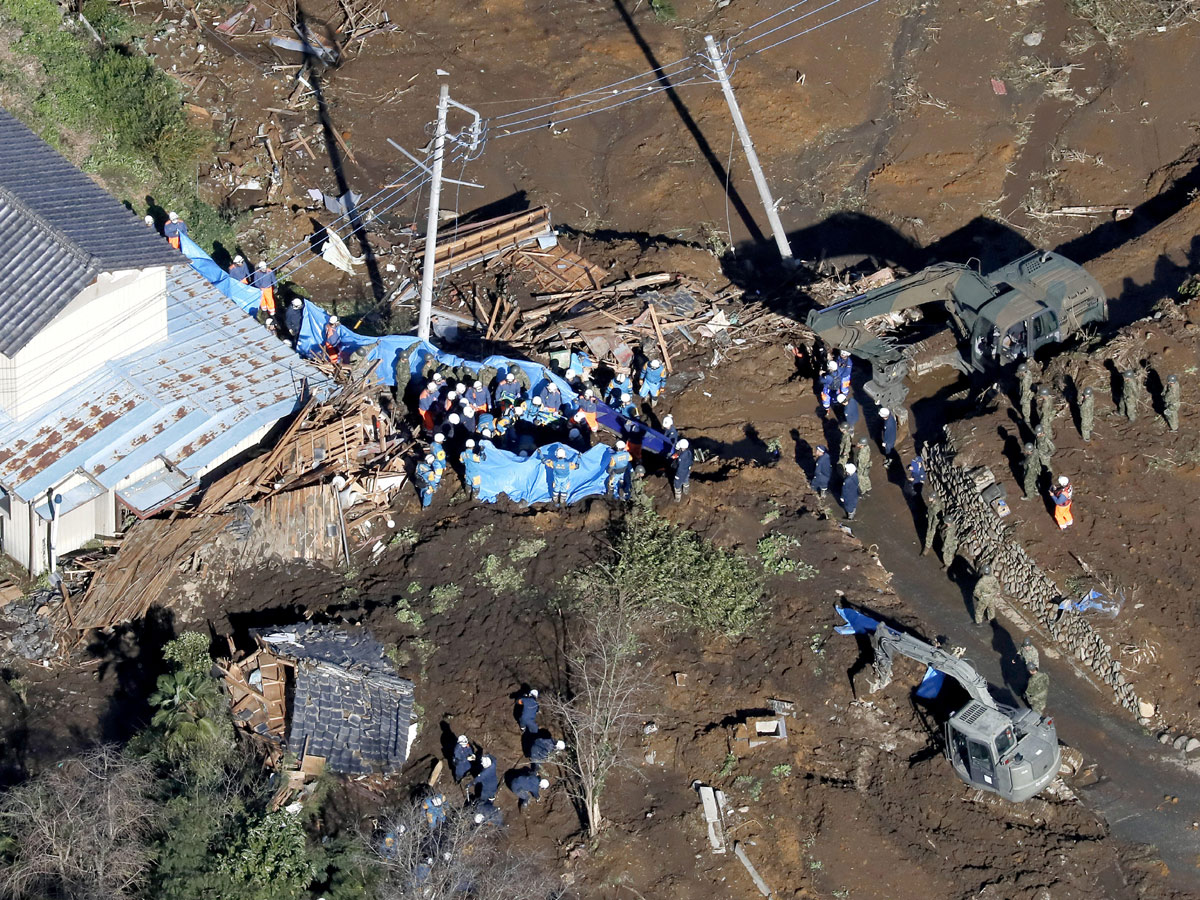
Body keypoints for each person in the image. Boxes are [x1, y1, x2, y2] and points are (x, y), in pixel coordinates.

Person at [921, 487, 943, 556]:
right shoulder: (934, 504)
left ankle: (927, 548)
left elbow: (936, 519)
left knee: (929, 534)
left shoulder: (936, 508)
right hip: (930, 519)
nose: (929, 498)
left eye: (930, 497)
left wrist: (932, 527)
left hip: (933, 523)